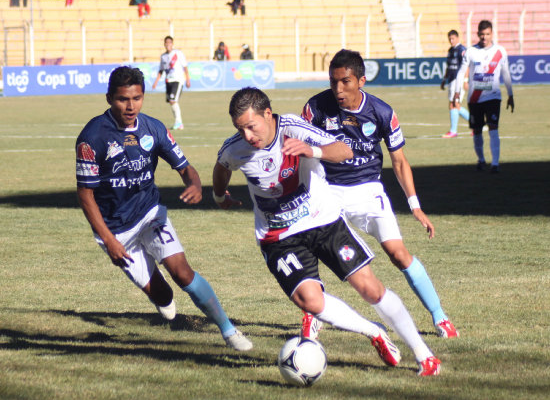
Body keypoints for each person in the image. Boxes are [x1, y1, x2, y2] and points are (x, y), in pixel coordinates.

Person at [212, 86, 441, 376]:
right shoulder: (236, 148)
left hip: (323, 221)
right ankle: (375, 332)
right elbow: (221, 168)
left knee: (369, 288)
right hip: (278, 236)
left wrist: (311, 150)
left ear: (267, 114)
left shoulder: (293, 127)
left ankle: (424, 355)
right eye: (240, 128)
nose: (247, 135)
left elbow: (343, 150)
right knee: (311, 301)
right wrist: (220, 197)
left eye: (250, 126)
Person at [75, 66, 253, 352]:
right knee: (162, 294)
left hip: (149, 214)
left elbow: (186, 169)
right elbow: (86, 195)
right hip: (116, 229)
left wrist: (194, 184)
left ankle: (229, 331)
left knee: (182, 272)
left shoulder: (154, 128)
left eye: (137, 98)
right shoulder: (92, 137)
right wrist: (109, 240)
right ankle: (164, 302)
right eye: (122, 99)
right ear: (109, 98)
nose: (131, 106)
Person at [300, 49, 459, 340]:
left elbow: (399, 161)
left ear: (361, 80)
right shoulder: (315, 107)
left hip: (370, 192)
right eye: (334, 81)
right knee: (314, 251)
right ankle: (312, 315)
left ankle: (440, 316)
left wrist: (415, 206)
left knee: (399, 255)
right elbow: (302, 151)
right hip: (329, 192)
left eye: (345, 81)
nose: (338, 89)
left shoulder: (382, 112)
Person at [454, 20, 514, 173]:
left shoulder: (500, 51)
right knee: (477, 131)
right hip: (474, 99)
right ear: (478, 35)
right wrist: (456, 92)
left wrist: (510, 94)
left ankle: (495, 164)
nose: (484, 37)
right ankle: (481, 160)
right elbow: (461, 73)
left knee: (493, 128)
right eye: (482, 34)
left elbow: (506, 73)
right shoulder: (471, 51)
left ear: (492, 34)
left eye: (487, 34)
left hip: (493, 97)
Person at [152, 36, 191, 130]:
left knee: (173, 100)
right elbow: (161, 70)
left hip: (177, 80)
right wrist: (156, 82)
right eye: (166, 42)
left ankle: (179, 122)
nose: (168, 44)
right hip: (168, 81)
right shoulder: (163, 56)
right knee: (171, 101)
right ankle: (178, 122)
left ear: (172, 44)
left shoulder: (178, 53)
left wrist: (188, 79)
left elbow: (185, 67)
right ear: (164, 44)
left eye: (170, 42)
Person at [441, 30, 470, 138]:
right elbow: (449, 67)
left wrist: (466, 80)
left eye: (453, 38)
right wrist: (445, 79)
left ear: (458, 38)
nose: (451, 40)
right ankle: (476, 124)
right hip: (451, 80)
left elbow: (466, 66)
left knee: (455, 104)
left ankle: (453, 131)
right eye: (449, 39)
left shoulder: (462, 50)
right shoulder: (450, 50)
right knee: (453, 105)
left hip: (459, 81)